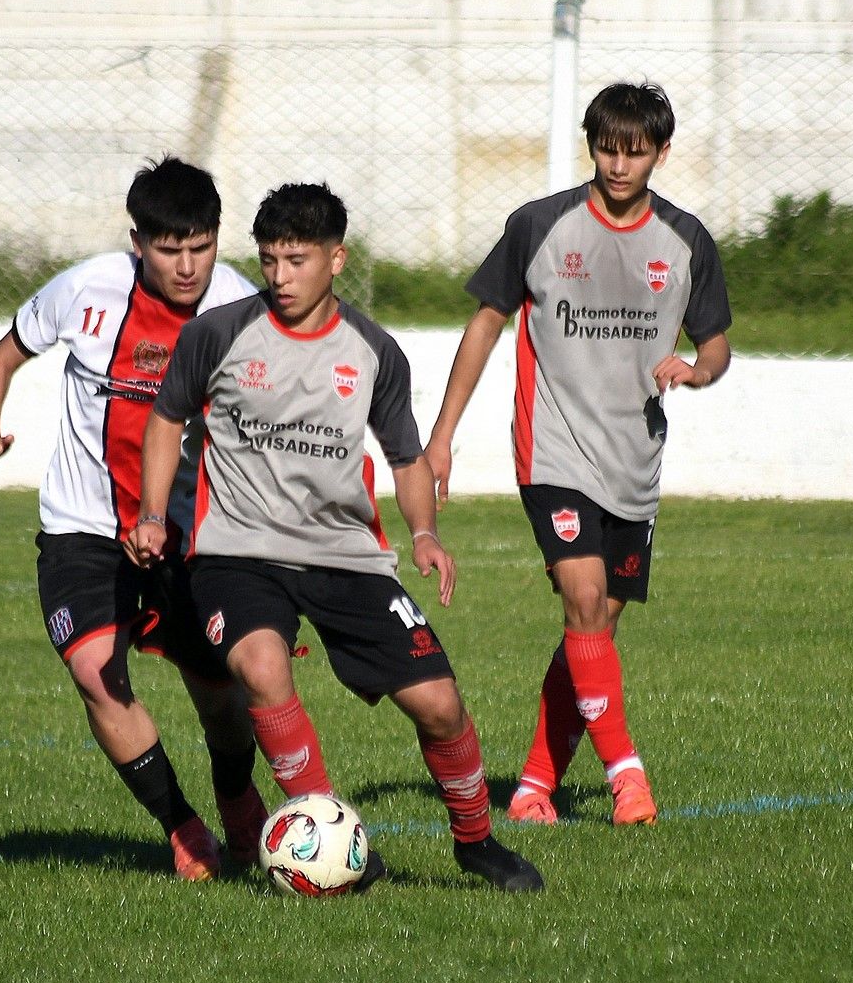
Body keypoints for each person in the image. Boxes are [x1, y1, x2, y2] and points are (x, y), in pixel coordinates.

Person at [128, 181, 544, 892]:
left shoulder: (374, 350)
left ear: (336, 259)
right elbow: (167, 419)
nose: (280, 277)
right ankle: (328, 836)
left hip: (345, 555)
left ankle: (476, 842)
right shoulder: (217, 335)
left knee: (440, 705)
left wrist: (424, 533)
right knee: (262, 668)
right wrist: (151, 513)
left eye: (297, 260)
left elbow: (406, 457)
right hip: (238, 552)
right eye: (269, 260)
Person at [423, 82, 733, 827]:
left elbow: (717, 343)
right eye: (606, 149)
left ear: (661, 153)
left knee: (593, 632)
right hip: (553, 451)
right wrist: (442, 435)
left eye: (635, 152)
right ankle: (629, 778)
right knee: (585, 601)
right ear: (590, 146)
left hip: (635, 461)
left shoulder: (686, 241)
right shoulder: (540, 225)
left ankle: (533, 786)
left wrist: (699, 370)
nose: (619, 165)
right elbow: (486, 322)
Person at [0, 155, 266, 881]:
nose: (188, 266)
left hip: (190, 532)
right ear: (138, 243)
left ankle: (235, 793)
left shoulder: (242, 308)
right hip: (82, 527)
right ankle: (182, 827)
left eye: (201, 247)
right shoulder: (85, 289)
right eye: (169, 249)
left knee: (220, 695)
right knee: (97, 673)